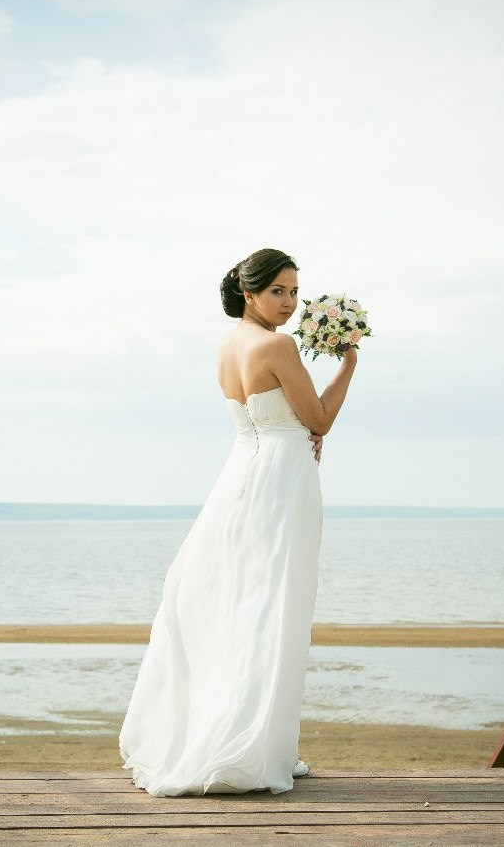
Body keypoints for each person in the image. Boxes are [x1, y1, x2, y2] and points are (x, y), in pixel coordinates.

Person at [118, 248, 359, 796]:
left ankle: (255, 742)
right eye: (278, 291)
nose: (289, 303)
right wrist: (348, 364)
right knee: (272, 607)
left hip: (243, 471)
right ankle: (251, 748)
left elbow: (274, 418)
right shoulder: (277, 345)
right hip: (278, 482)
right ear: (249, 293)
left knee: (241, 603)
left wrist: (299, 431)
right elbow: (319, 418)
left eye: (295, 292)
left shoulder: (229, 345)